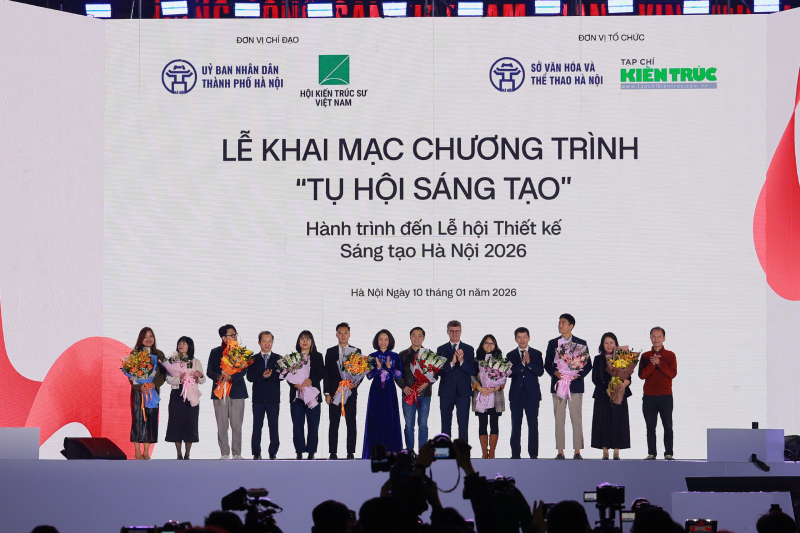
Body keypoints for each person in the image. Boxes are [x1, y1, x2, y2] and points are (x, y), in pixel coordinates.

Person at [544, 313, 591, 460]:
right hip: (559, 385)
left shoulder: (581, 343)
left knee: (576, 418)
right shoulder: (553, 343)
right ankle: (560, 451)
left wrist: (578, 375)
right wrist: (556, 373)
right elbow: (547, 364)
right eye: (559, 322)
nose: (560, 325)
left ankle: (577, 451)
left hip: (575, 385)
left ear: (571, 326)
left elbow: (588, 365)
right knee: (559, 418)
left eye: (563, 323)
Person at [207, 324, 248, 460]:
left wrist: (231, 377)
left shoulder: (240, 351)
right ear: (224, 338)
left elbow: (244, 370)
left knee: (237, 425)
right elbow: (209, 371)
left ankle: (237, 453)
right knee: (222, 425)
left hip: (237, 392)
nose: (235, 337)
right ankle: (224, 453)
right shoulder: (215, 352)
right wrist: (219, 376)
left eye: (236, 334)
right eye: (232, 335)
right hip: (220, 392)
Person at [591, 332, 633, 460]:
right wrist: (606, 389)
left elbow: (628, 376)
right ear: (602, 344)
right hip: (603, 394)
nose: (609, 345)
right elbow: (595, 378)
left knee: (617, 421)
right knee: (602, 422)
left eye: (611, 342)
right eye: (606, 343)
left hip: (619, 393)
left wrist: (626, 383)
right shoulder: (598, 359)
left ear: (616, 344)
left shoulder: (622, 357)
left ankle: (616, 451)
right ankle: (605, 451)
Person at [362, 329, 403, 458]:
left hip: (390, 391)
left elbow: (399, 374)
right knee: (376, 419)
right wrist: (377, 368)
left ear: (389, 341)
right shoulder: (371, 356)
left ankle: (391, 453)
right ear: (377, 341)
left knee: (390, 419)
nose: (383, 342)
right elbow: (368, 376)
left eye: (386, 339)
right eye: (380, 339)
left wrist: (390, 368)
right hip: (376, 391)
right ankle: (374, 453)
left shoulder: (395, 356)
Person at [324, 322, 361, 460]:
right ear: (336, 335)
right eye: (340, 333)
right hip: (335, 393)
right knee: (333, 422)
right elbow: (326, 373)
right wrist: (327, 393)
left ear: (349, 334)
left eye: (345, 333)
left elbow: (360, 371)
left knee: (351, 422)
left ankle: (350, 452)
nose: (343, 335)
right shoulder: (330, 351)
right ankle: (332, 452)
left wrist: (355, 383)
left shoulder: (356, 351)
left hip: (350, 392)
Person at [639, 326, 677, 460]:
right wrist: (652, 364)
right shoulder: (645, 356)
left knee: (668, 425)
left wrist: (659, 363)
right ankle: (651, 453)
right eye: (653, 336)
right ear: (650, 338)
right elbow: (642, 375)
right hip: (649, 397)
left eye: (659, 336)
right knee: (650, 427)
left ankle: (668, 453)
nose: (656, 339)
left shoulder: (670, 355)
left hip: (665, 396)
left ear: (664, 338)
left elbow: (672, 373)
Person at [128, 327, 166, 460]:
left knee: (151, 419)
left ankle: (146, 451)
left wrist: (154, 384)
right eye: (145, 337)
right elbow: (131, 375)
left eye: (151, 336)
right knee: (138, 418)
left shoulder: (159, 354)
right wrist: (140, 387)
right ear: (141, 339)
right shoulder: (135, 354)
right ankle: (137, 451)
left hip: (153, 391)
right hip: (139, 392)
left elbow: (163, 374)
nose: (148, 339)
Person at [165, 336, 205, 460]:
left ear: (190, 346)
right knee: (176, 423)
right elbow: (168, 379)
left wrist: (199, 376)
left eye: (184, 343)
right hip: (177, 394)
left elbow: (203, 380)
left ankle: (187, 454)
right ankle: (178, 453)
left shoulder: (195, 361)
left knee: (190, 423)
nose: (181, 345)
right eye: (179, 343)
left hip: (191, 394)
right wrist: (179, 379)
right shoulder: (172, 361)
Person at [395, 326, 434, 452]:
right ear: (410, 337)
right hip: (408, 395)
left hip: (425, 395)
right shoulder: (402, 355)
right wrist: (404, 386)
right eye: (414, 335)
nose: (417, 338)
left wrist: (428, 383)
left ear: (423, 338)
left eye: (419, 336)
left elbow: (436, 374)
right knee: (409, 425)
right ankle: (410, 452)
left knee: (423, 425)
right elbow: (397, 374)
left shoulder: (429, 355)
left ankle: (423, 452)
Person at [507, 327, 544, 459]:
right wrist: (522, 364)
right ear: (515, 339)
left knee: (533, 424)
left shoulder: (536, 353)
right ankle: (515, 454)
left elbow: (540, 372)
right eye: (519, 337)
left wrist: (529, 363)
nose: (522, 340)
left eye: (524, 337)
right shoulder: (510, 355)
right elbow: (509, 373)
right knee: (515, 425)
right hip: (516, 395)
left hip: (532, 395)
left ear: (528, 338)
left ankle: (533, 454)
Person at [436, 320, 476, 442]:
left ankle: (462, 451)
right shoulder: (441, 349)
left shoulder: (469, 349)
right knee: (445, 424)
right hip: (446, 392)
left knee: (463, 425)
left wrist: (462, 361)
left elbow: (472, 371)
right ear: (447, 332)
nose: (454, 334)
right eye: (452, 331)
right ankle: (445, 450)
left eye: (457, 331)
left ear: (461, 332)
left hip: (463, 393)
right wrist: (452, 362)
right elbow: (438, 372)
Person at [246, 331, 282, 460]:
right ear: (259, 343)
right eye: (264, 341)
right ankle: (256, 452)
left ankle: (273, 452)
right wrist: (262, 376)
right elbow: (249, 377)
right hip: (258, 399)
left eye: (270, 341)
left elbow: (282, 376)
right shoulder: (253, 359)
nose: (267, 344)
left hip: (273, 398)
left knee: (274, 426)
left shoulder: (278, 358)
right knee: (257, 426)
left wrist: (270, 376)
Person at [291, 330, 325, 460]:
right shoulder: (293, 357)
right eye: (302, 339)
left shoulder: (317, 356)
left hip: (313, 396)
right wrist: (294, 384)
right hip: (297, 396)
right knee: (297, 425)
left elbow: (321, 372)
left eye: (308, 339)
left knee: (313, 424)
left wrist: (312, 380)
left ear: (312, 341)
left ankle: (311, 452)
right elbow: (287, 374)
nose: (305, 341)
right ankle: (299, 452)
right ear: (298, 341)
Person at [471, 334, 506, 459]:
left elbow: (504, 376)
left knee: (494, 423)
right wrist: (480, 388)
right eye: (487, 343)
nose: (489, 345)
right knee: (482, 423)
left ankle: (492, 452)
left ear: (495, 345)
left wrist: (496, 387)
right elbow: (472, 376)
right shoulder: (476, 360)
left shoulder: (500, 360)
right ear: (482, 345)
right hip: (481, 394)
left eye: (492, 343)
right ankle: (484, 451)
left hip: (496, 395)